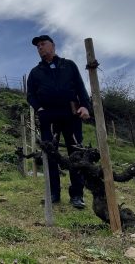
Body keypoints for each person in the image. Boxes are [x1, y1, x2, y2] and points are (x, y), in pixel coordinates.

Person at [26, 35, 91, 209]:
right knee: (50, 153)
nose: (40, 47)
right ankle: (53, 193)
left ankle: (77, 194)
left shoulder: (68, 65)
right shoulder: (35, 72)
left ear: (53, 46)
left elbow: (80, 87)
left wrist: (85, 106)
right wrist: (39, 109)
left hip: (71, 113)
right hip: (48, 116)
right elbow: (30, 95)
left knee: (76, 152)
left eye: (43, 44)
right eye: (37, 46)